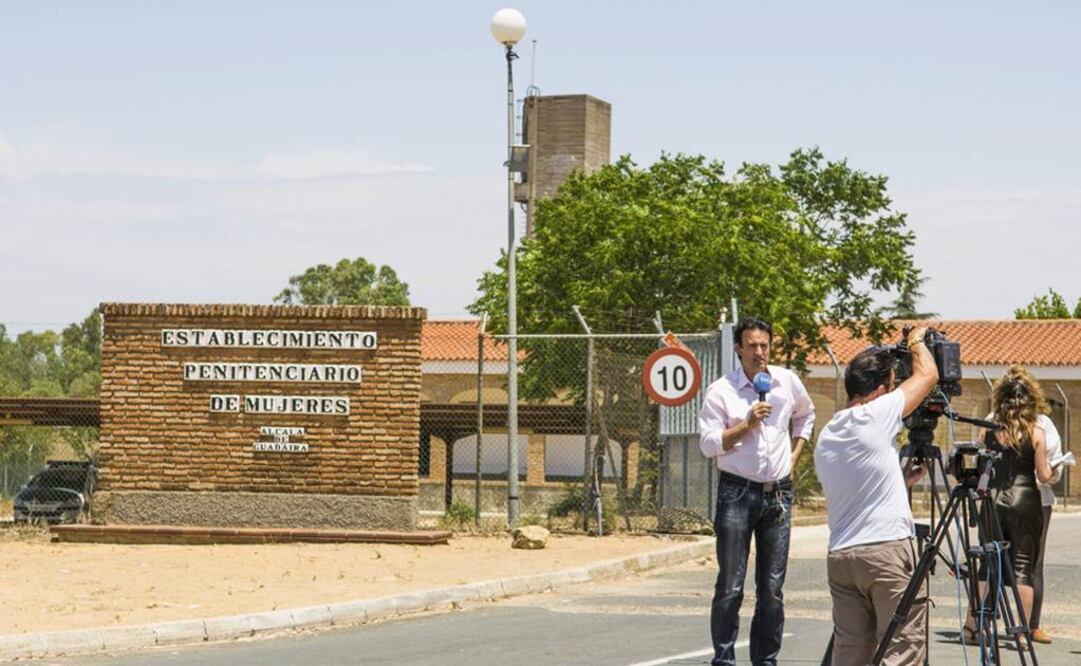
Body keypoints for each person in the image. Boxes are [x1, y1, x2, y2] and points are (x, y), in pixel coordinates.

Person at [814, 326, 938, 665]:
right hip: (884, 552)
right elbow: (928, 374)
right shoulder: (878, 412)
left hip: (841, 558)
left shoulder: (829, 432)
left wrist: (898, 482)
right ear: (881, 390)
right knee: (902, 647)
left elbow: (856, 483)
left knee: (851, 651)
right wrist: (916, 340)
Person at [697, 317, 816, 666]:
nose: (759, 353)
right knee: (731, 585)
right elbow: (708, 445)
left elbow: (805, 416)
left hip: (778, 494)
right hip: (737, 492)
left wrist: (794, 455)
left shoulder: (786, 382)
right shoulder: (721, 391)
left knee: (772, 589)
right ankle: (724, 659)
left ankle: (766, 660)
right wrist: (746, 425)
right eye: (752, 346)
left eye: (764, 345)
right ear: (739, 349)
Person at [963, 366, 1056, 645]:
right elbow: (1044, 476)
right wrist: (1053, 468)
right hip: (1026, 500)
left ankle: (973, 626)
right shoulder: (1037, 432)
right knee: (1023, 568)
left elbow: (980, 469)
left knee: (986, 565)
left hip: (993, 499)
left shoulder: (989, 432)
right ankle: (1022, 633)